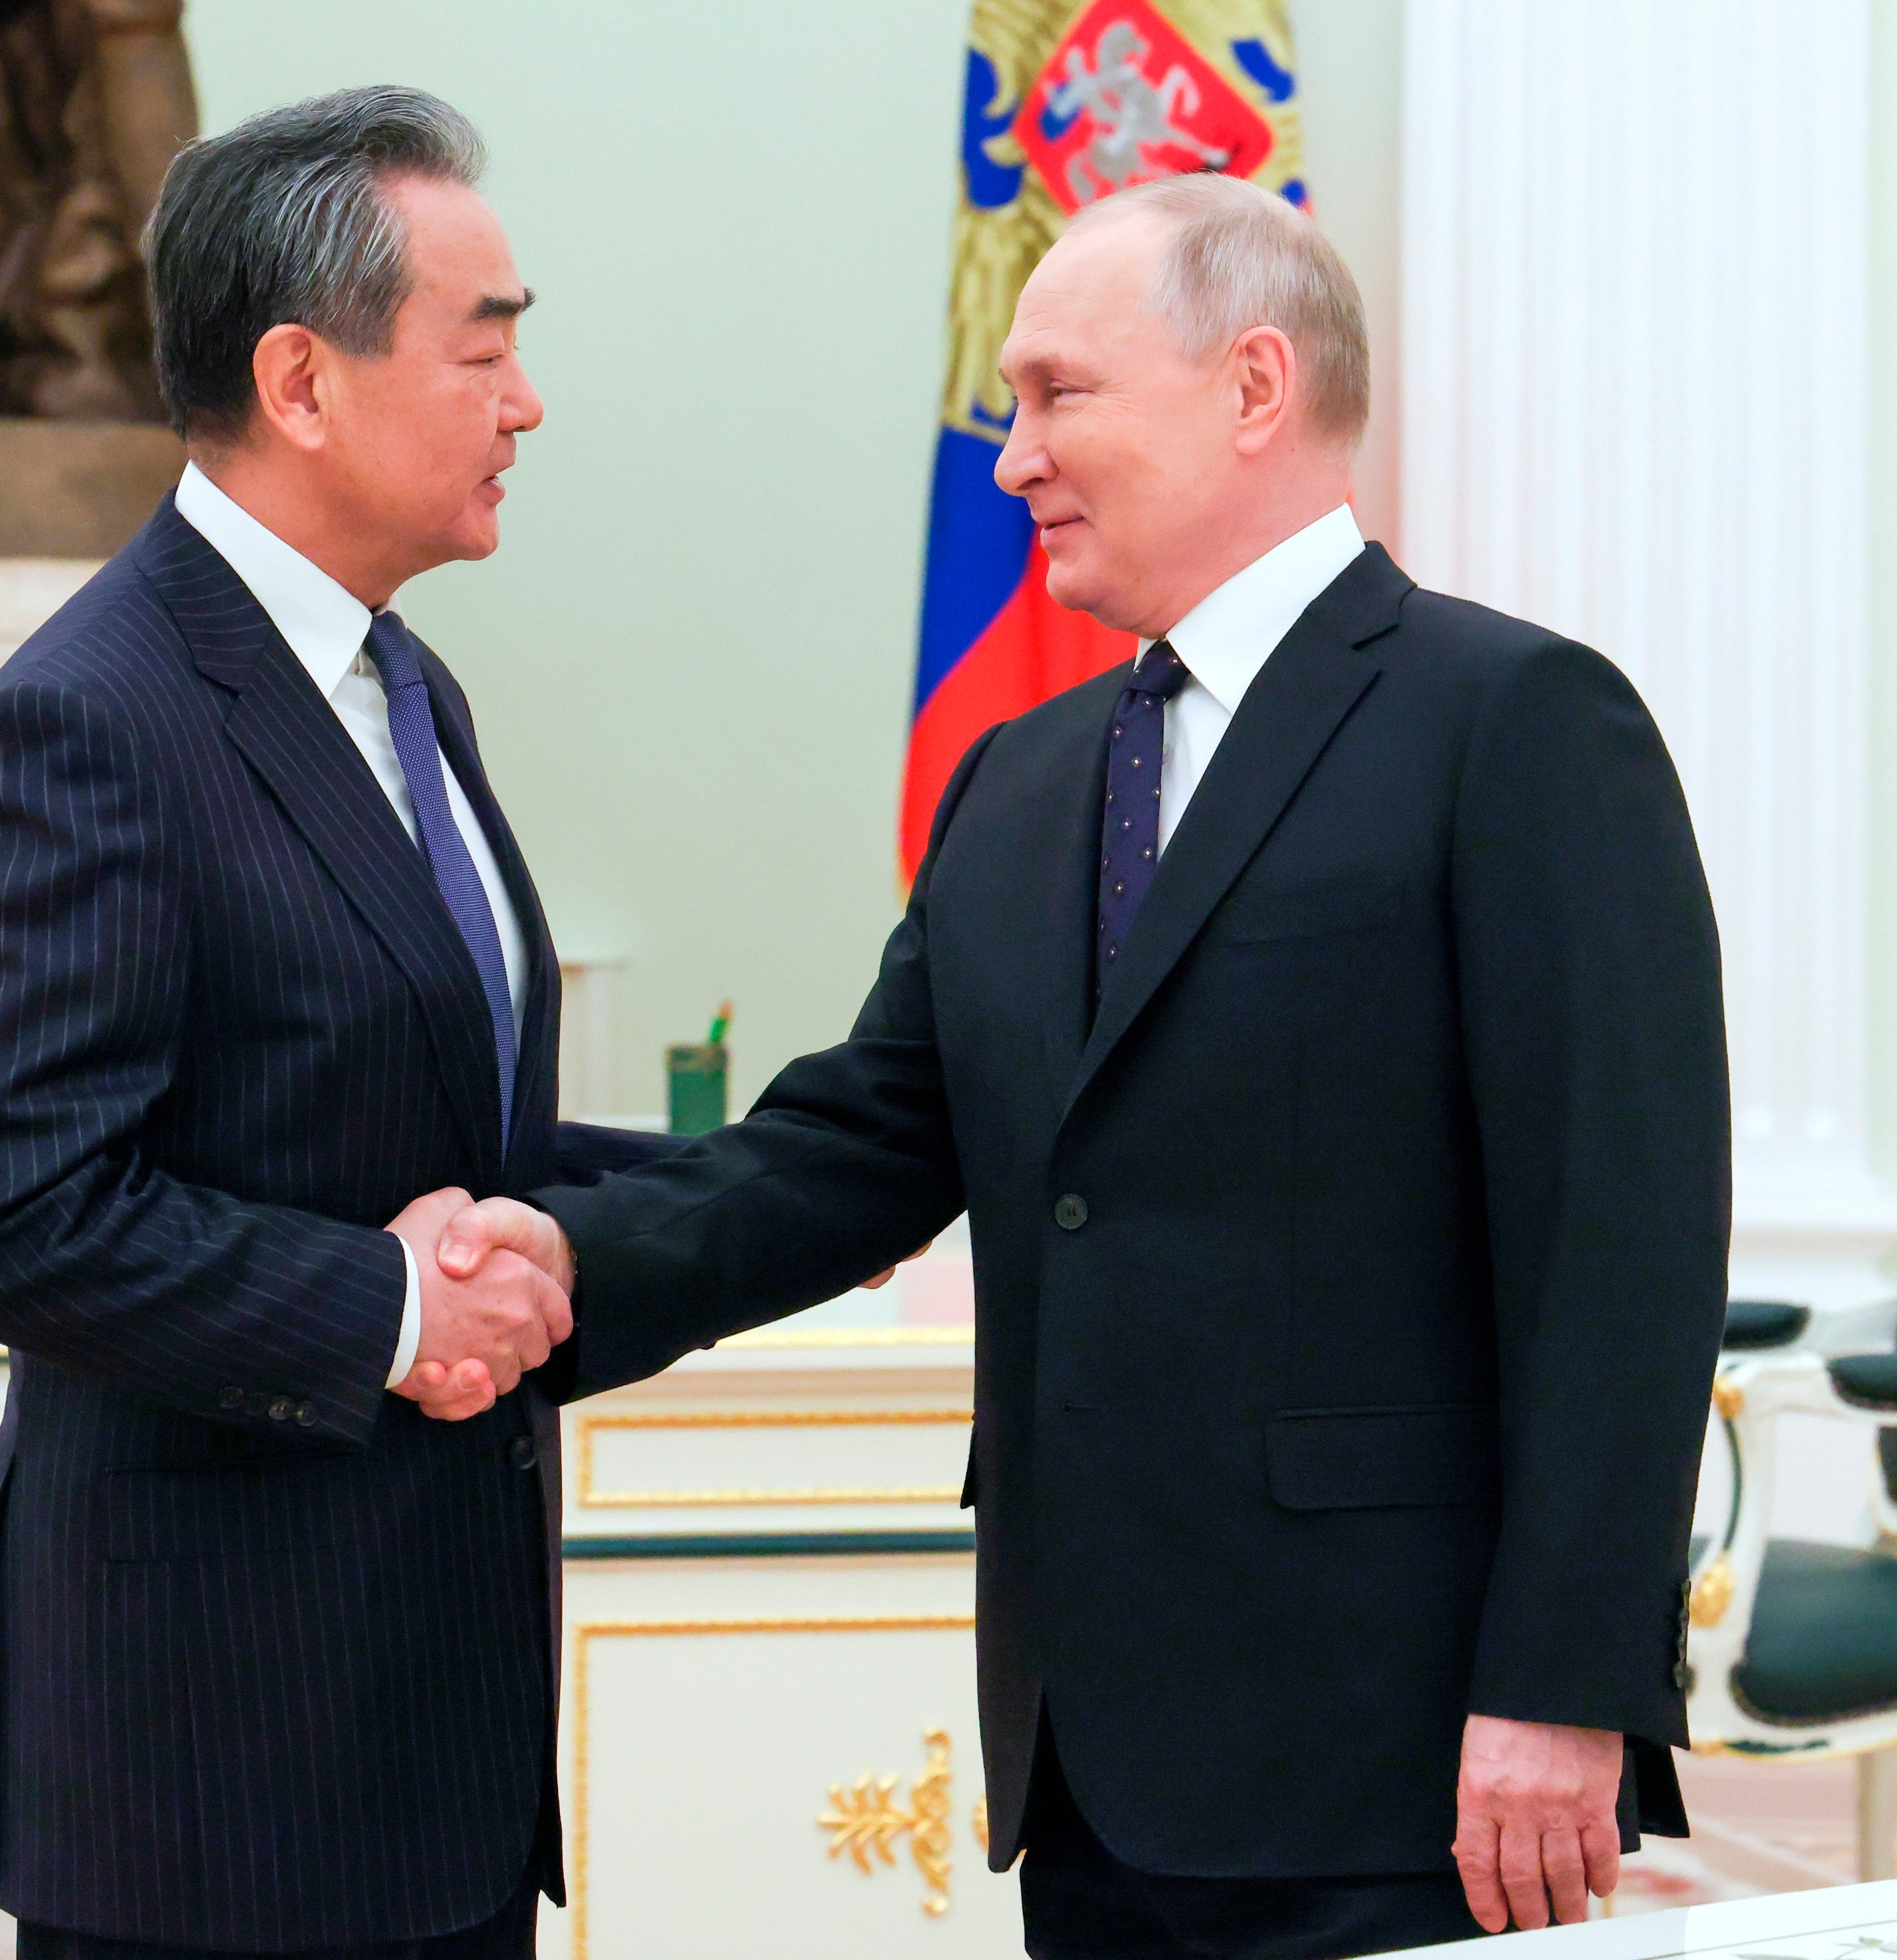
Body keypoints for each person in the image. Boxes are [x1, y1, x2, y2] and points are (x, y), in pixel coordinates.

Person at [441, 172, 1731, 1959]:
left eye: (1057, 394)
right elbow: (859, 1147)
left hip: (1402, 1746)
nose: (1012, 459)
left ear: (1255, 388)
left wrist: (1565, 1688)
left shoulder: (1516, 727)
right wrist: (561, 1263)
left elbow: (1627, 1248)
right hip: (1092, 1753)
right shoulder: (1024, 780)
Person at [0, 87, 672, 1960]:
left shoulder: (405, 690)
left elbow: (437, 1136)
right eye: (484, 348)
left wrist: (827, 1172)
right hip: (213, 1770)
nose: (526, 402)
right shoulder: (99, 714)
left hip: (428, 1741)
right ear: (303, 381)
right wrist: (395, 1312)